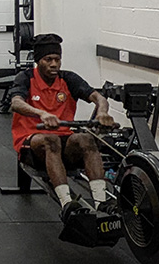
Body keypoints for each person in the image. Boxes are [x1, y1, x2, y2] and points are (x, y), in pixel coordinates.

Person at [8, 33, 118, 220]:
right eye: (48, 59)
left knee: (86, 139)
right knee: (51, 140)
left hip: (63, 140)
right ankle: (67, 204)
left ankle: (102, 202)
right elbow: (16, 103)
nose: (53, 64)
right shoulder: (25, 78)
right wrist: (41, 113)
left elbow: (98, 97)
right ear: (38, 61)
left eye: (57, 59)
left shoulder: (68, 79)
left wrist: (102, 112)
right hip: (31, 142)